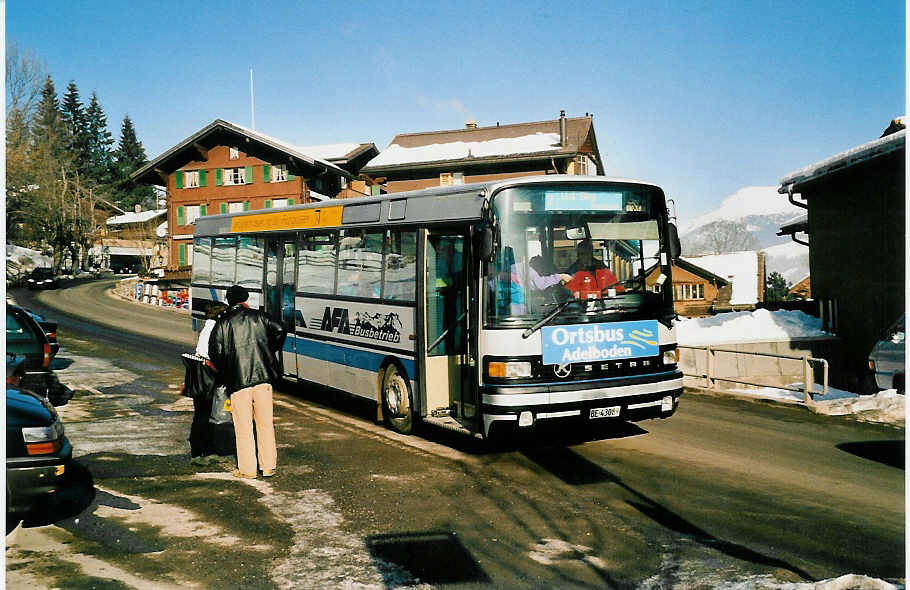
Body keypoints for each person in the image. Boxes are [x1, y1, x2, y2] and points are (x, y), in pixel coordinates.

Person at [208, 285, 286, 479]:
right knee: (265, 423)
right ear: (246, 299)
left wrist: (227, 370)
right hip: (263, 379)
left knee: (243, 427)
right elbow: (280, 330)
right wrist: (268, 350)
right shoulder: (260, 316)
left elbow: (215, 353)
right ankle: (268, 466)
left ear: (229, 301)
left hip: (238, 381)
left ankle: (248, 469)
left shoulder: (222, 323)